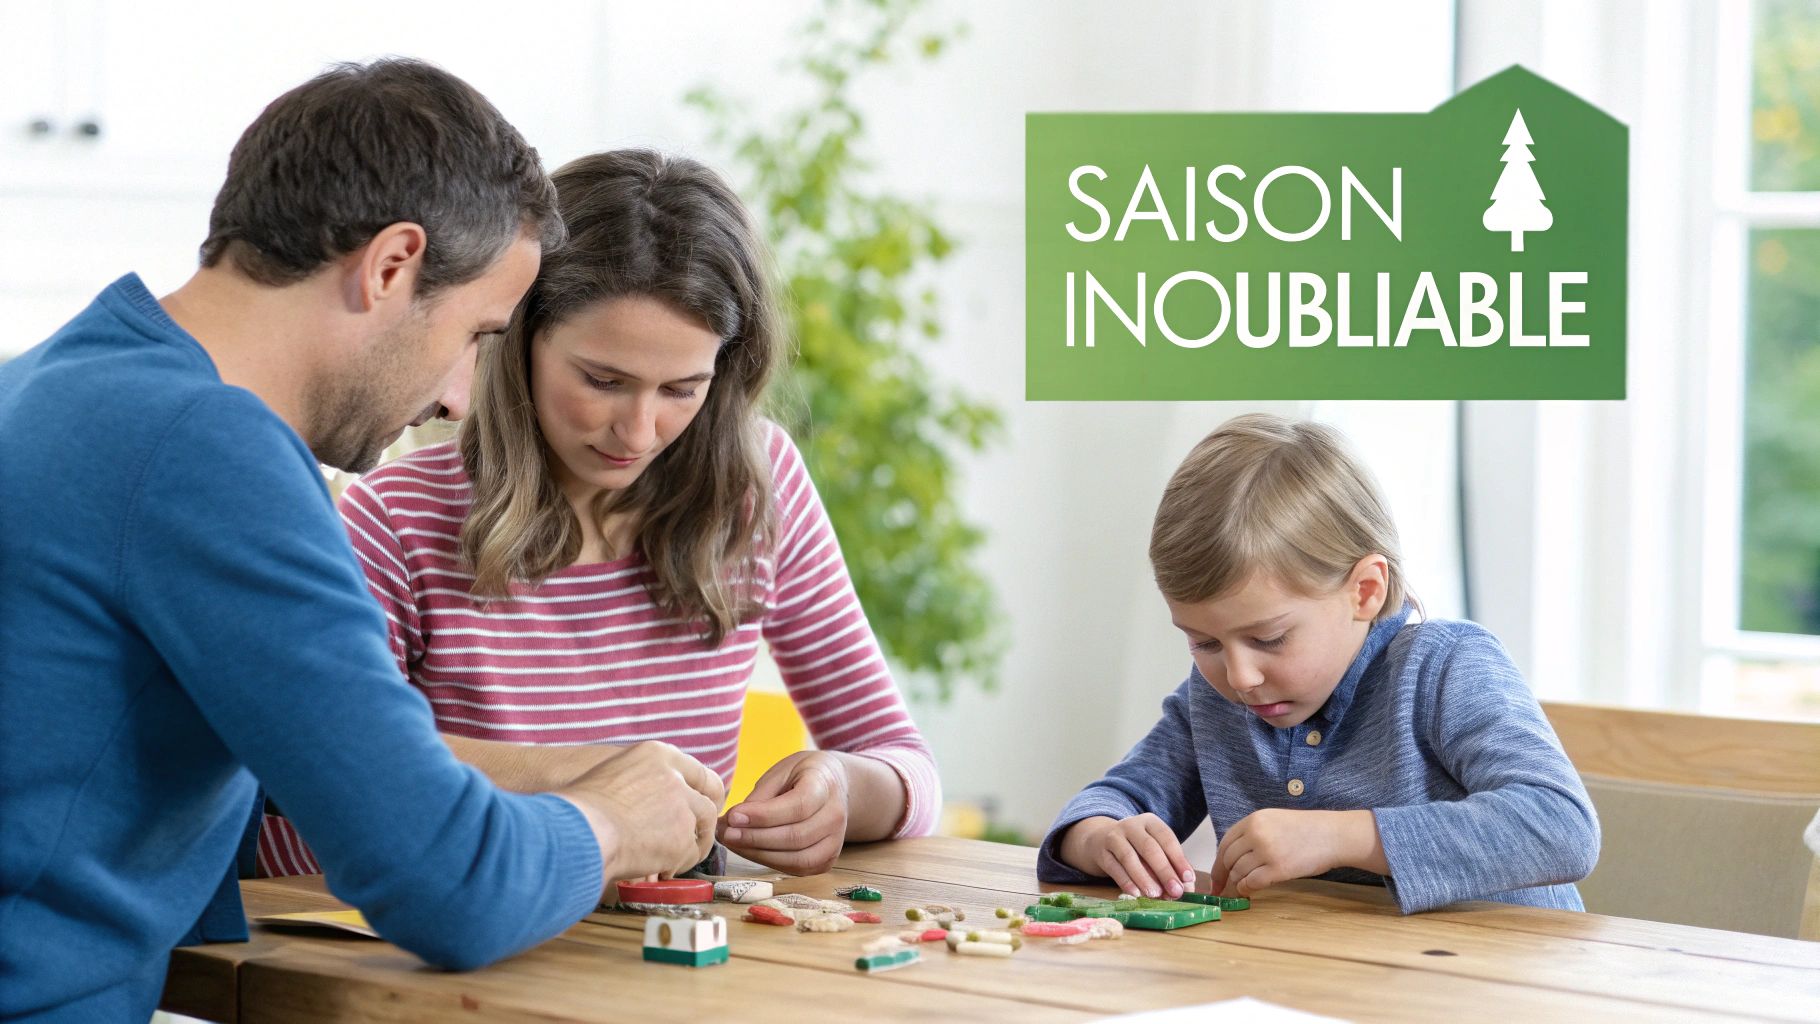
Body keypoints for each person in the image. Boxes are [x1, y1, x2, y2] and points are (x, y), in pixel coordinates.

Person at [0, 61, 723, 1023]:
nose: (461, 397)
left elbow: (235, 776)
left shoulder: (51, 383)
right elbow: (449, 888)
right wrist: (614, 823)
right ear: (391, 267)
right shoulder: (210, 450)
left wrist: (549, 769)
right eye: (477, 333)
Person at [256, 149, 941, 881]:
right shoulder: (396, 519)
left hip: (667, 963)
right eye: (603, 381)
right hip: (444, 958)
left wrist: (837, 788)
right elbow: (303, 791)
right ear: (520, 340)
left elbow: (907, 771)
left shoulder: (756, 487)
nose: (638, 432)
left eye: (682, 388)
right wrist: (598, 786)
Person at [1038, 414, 1599, 913]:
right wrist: (1095, 835)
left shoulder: (1444, 668)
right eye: (1204, 643)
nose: (1239, 677)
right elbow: (1124, 794)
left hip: (1503, 987)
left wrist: (1344, 837)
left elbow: (1561, 826)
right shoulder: (1217, 701)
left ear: (1366, 591)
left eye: (1270, 638)